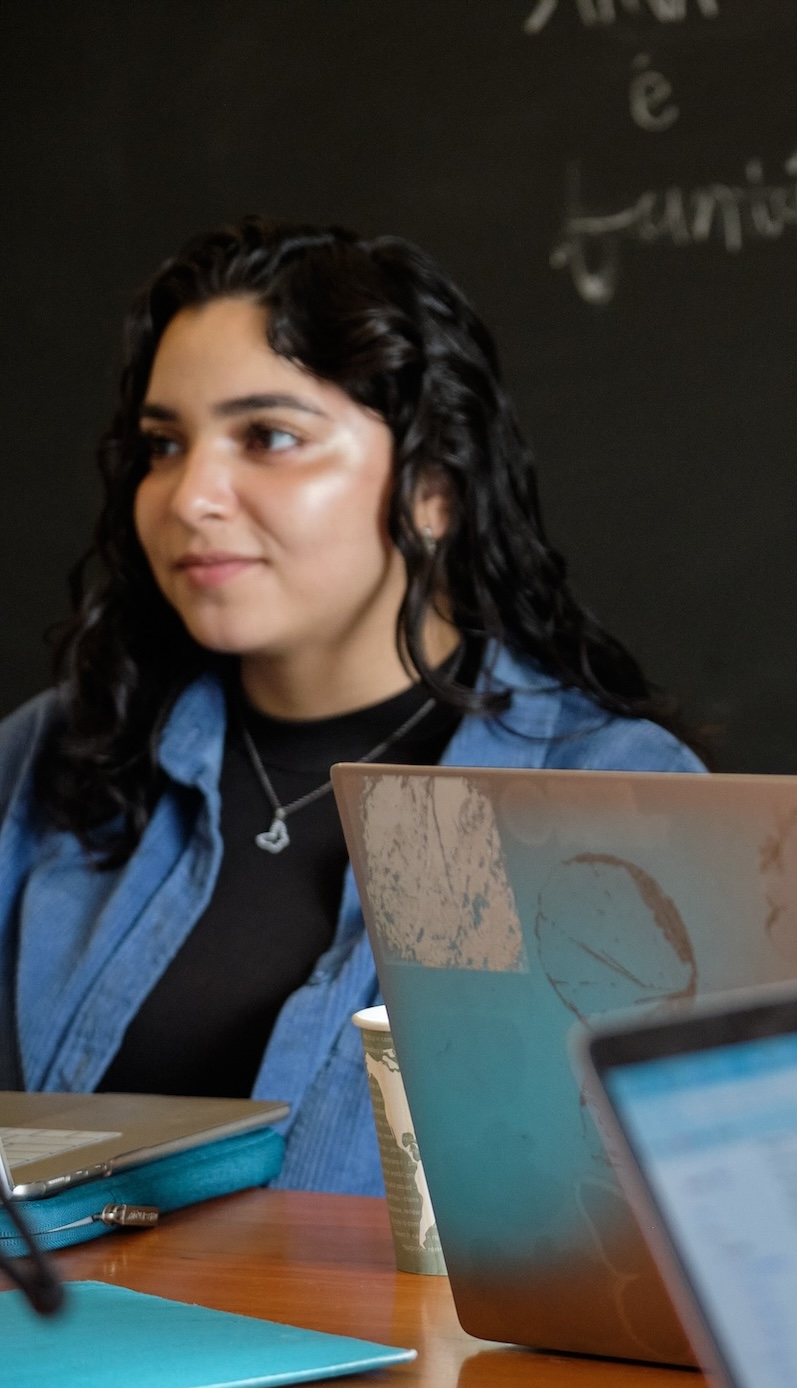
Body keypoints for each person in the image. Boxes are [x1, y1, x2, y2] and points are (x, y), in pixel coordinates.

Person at [0, 219, 705, 1196]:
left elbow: (673, 1232)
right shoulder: (59, 752)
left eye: (269, 436)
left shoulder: (596, 795)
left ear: (432, 487)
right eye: (163, 444)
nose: (190, 494)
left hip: (404, 1354)